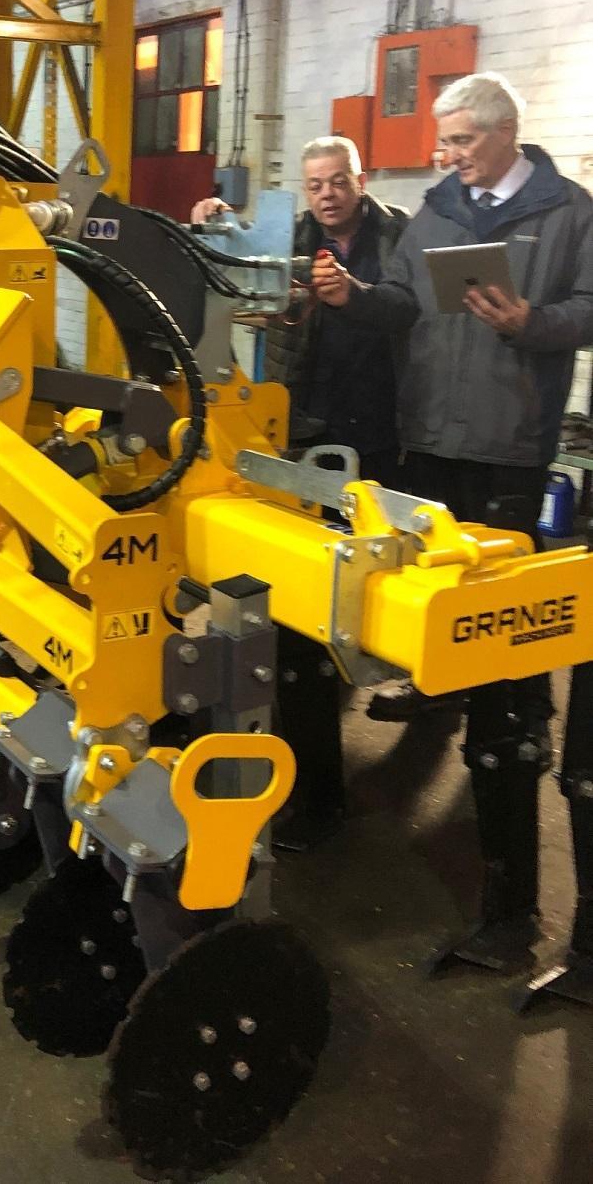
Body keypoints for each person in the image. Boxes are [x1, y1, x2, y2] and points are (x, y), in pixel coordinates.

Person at [312, 71, 593, 967]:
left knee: (503, 653)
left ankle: (512, 876)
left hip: (507, 450)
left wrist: (532, 320)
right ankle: (454, 716)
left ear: (506, 133)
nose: (444, 154)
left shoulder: (568, 214)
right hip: (427, 443)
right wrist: (353, 298)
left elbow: (589, 311)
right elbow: (403, 302)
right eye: (443, 140)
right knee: (438, 618)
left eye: (461, 139)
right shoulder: (433, 213)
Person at [194, 137, 411, 844]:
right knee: (302, 615)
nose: (326, 193)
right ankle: (313, 780)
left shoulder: (397, 235)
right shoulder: (293, 236)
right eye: (315, 182)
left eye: (337, 180)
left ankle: (383, 717)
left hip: (378, 438)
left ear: (361, 178)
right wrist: (215, 226)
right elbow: (240, 276)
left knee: (365, 599)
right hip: (298, 435)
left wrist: (357, 296)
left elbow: (412, 313)